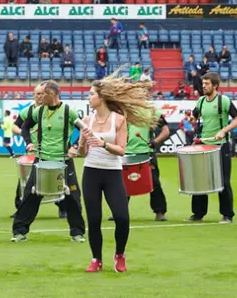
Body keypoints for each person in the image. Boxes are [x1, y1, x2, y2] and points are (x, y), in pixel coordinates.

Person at [78, 73, 157, 272]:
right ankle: (96, 259)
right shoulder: (86, 120)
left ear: (102, 97)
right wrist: (82, 143)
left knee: (122, 217)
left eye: (91, 94)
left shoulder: (119, 120)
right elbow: (82, 153)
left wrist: (103, 144)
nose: (89, 97)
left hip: (112, 173)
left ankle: (119, 254)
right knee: (94, 219)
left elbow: (122, 149)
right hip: (91, 172)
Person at [13, 80, 87, 242]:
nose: (39, 98)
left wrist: (75, 146)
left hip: (64, 161)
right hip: (42, 159)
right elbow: (25, 127)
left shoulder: (69, 112)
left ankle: (77, 233)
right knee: (30, 195)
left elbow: (85, 129)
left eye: (43, 94)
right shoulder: (38, 111)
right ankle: (19, 231)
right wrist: (29, 142)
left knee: (73, 196)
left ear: (51, 95)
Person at [187, 72, 237, 223]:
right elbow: (195, 117)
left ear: (215, 85)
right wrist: (192, 119)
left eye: (207, 84)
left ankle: (227, 214)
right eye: (203, 84)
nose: (203, 86)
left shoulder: (223, 100)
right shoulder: (200, 102)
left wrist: (223, 130)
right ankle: (198, 214)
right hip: (203, 144)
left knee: (223, 180)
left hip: (220, 145)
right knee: (200, 180)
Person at [124, 104, 170, 221]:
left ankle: (160, 211)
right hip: (128, 152)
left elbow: (165, 130)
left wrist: (155, 141)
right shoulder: (127, 110)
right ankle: (120, 211)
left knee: (154, 182)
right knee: (124, 184)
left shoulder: (153, 111)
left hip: (147, 152)